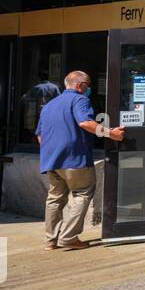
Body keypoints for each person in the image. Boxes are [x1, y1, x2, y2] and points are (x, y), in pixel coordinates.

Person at [36, 70, 124, 251]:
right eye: (88, 85)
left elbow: (40, 135)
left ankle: (50, 240)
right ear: (79, 86)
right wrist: (111, 134)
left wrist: (51, 151)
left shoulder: (50, 105)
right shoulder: (80, 99)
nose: (89, 89)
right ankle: (69, 237)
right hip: (74, 158)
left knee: (54, 198)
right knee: (82, 193)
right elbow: (85, 123)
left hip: (51, 160)